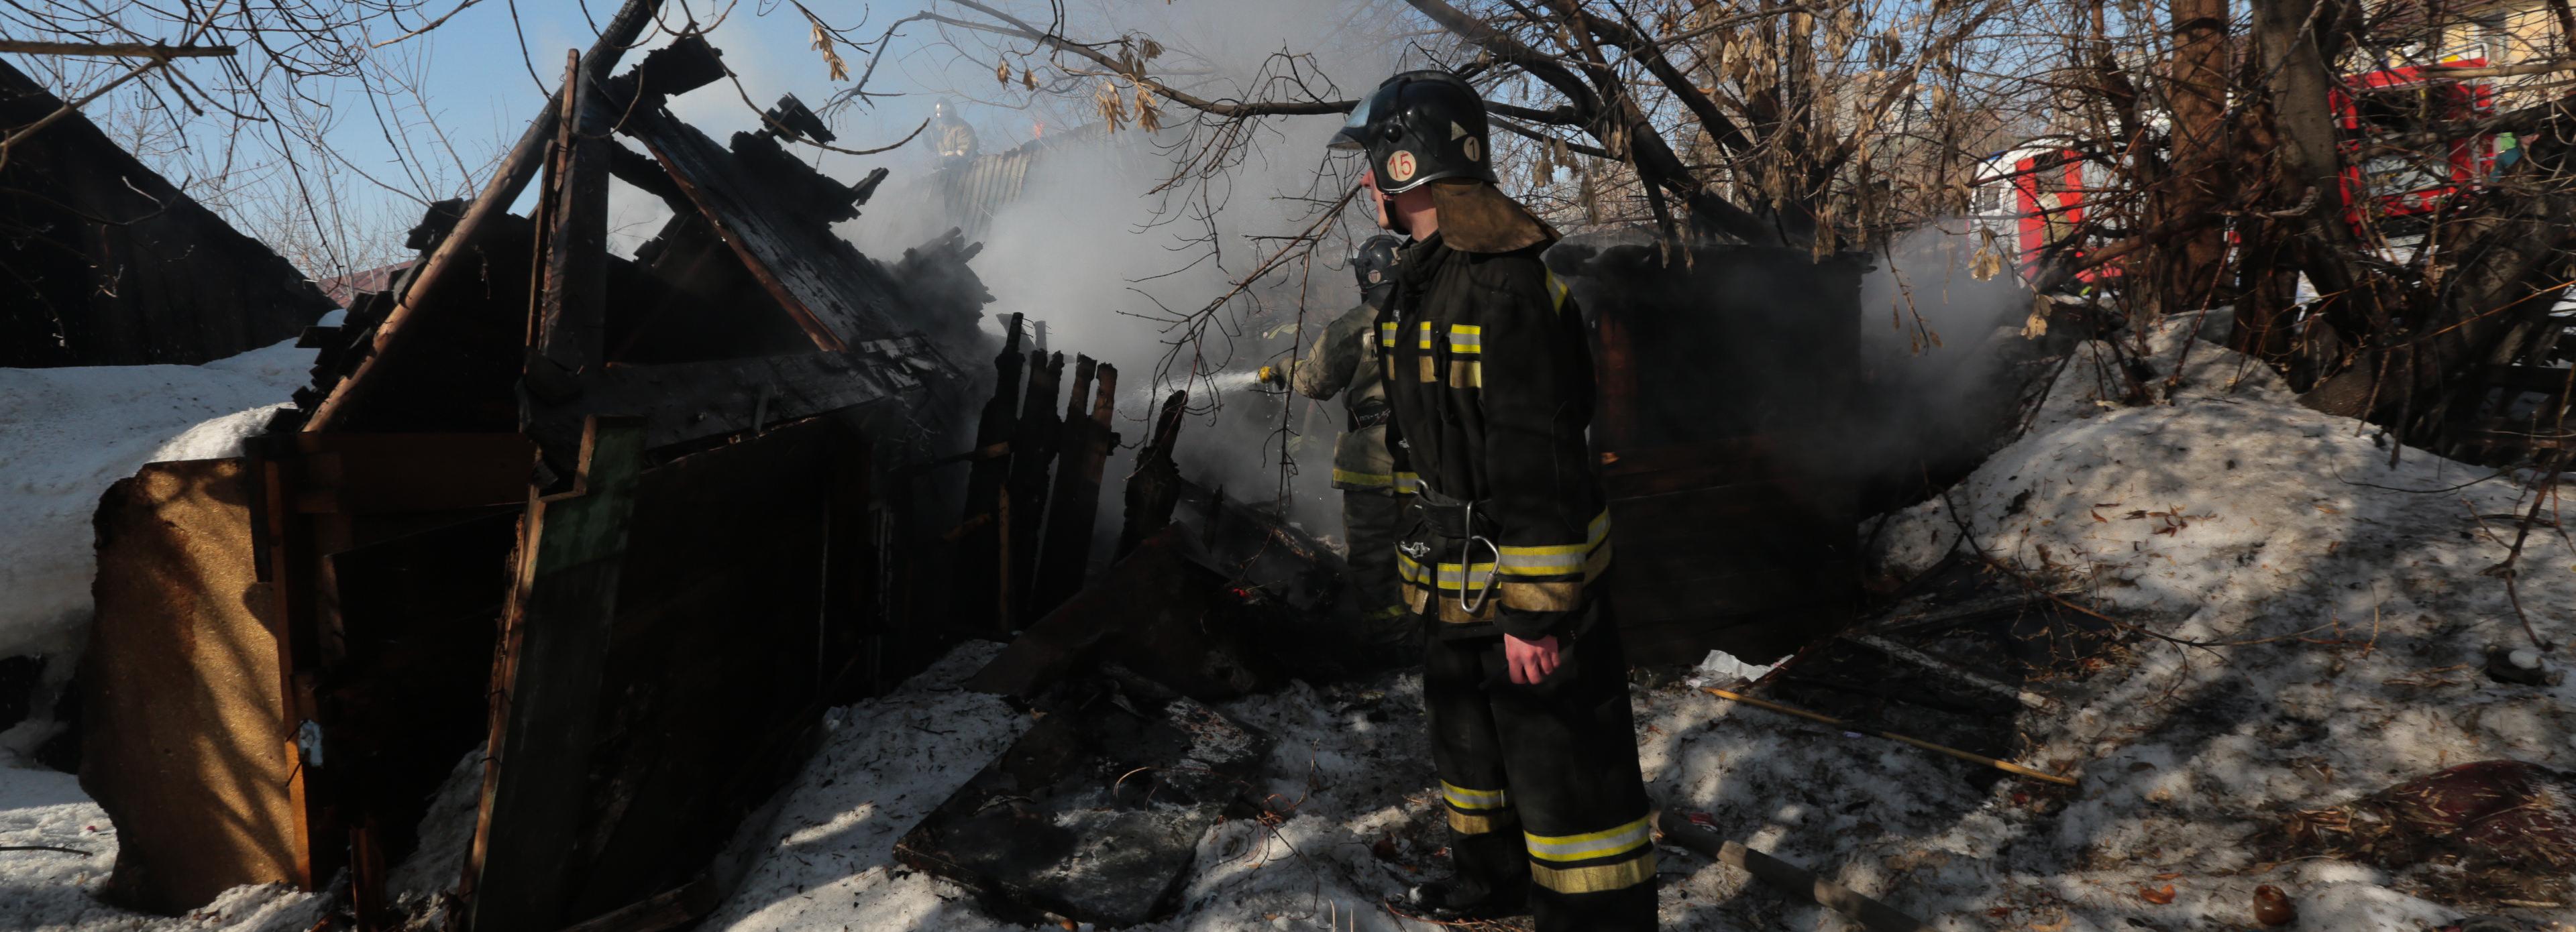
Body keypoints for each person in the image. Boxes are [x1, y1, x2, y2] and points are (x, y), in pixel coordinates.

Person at [1330, 70, 1656, 931]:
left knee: (1566, 780)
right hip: (1456, 584)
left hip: (1520, 586)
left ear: (1407, 166)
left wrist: (1537, 613)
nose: (1366, 182)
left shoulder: (1509, 289)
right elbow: (1423, 441)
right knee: (1471, 754)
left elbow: (1538, 457)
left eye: (1374, 164)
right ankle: (1490, 879)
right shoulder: (1418, 284)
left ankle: (1598, 922)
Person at [1257, 235, 1413, 652]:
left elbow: (1313, 381)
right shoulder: (1433, 316)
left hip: (1374, 461)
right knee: (1425, 545)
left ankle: (1391, 640)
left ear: (1367, 276)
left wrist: (1279, 368)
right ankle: (1433, 627)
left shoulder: (1355, 326)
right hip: (1431, 456)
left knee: (1374, 557)